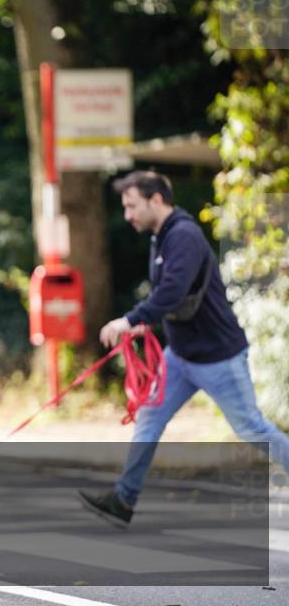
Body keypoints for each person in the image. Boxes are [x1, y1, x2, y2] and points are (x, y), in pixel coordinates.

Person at [79, 170, 289, 528]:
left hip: (218, 356)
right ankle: (123, 500)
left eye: (132, 206)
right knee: (149, 418)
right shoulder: (160, 237)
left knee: (253, 430)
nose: (127, 214)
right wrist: (148, 321)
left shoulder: (184, 236)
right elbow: (174, 297)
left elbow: (171, 292)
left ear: (156, 200)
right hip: (180, 356)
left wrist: (129, 320)